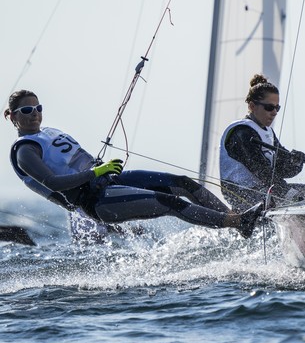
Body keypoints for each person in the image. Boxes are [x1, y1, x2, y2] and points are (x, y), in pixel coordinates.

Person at [5, 90, 263, 241]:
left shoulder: (48, 132)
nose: (34, 113)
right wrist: (95, 171)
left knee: (183, 183)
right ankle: (239, 223)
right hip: (94, 199)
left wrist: (101, 169)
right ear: (13, 116)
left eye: (37, 107)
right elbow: (53, 183)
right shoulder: (25, 151)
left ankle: (236, 220)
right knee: (170, 203)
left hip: (109, 181)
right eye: (26, 110)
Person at [219, 74, 305, 212]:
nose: (274, 113)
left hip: (265, 190)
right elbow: (261, 171)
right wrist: (289, 194)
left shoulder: (267, 132)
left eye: (277, 108)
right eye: (269, 107)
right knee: (298, 198)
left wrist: (295, 162)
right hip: (243, 194)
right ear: (252, 106)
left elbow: (282, 169)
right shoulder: (241, 133)